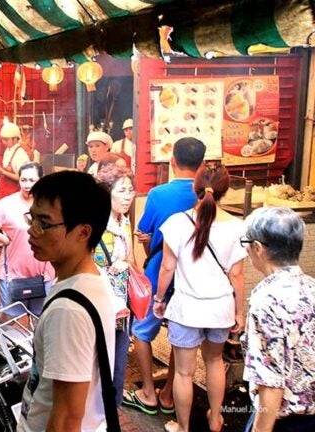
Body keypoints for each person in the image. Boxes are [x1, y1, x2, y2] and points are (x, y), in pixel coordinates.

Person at [17, 170, 115, 432]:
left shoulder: (68, 311)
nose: (32, 231)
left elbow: (68, 418)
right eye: (32, 219)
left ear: (83, 232)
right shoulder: (89, 280)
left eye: (44, 223)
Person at [152, 164, 246, 432]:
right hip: (220, 309)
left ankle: (183, 428)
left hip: (187, 309)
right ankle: (215, 418)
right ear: (225, 191)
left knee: (184, 372)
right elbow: (237, 275)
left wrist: (159, 299)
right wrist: (239, 313)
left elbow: (167, 268)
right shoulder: (238, 227)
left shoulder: (176, 223)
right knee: (215, 361)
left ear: (196, 188)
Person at [123, 137, 206, 417]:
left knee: (141, 331)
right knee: (180, 337)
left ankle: (148, 392)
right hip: (193, 274)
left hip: (160, 270)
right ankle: (170, 394)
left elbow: (146, 234)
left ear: (172, 161)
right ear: (202, 164)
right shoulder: (206, 195)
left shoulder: (158, 195)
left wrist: (147, 244)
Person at [241, 207, 315, 432]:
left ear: (258, 248)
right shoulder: (311, 287)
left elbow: (271, 382)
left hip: (284, 421)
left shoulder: (266, 300)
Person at [0, 162, 54, 316]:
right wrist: (3, 239)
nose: (27, 185)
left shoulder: (50, 204)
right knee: (10, 321)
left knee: (44, 319)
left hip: (45, 274)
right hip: (12, 275)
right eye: (23, 180)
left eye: (32, 180)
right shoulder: (8, 204)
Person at [93, 163, 136, 407]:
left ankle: (111, 406)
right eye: (122, 190)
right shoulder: (94, 223)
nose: (128, 196)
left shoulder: (124, 221)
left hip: (120, 301)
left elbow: (130, 257)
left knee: (118, 350)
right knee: (97, 353)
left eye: (130, 190)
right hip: (99, 299)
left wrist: (126, 263)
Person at [0, 122, 31, 201]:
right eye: (2, 139)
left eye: (6, 139)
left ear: (15, 138)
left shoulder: (20, 154)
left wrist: (3, 172)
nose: (3, 142)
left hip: (13, 196)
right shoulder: (8, 150)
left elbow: (23, 178)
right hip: (3, 194)